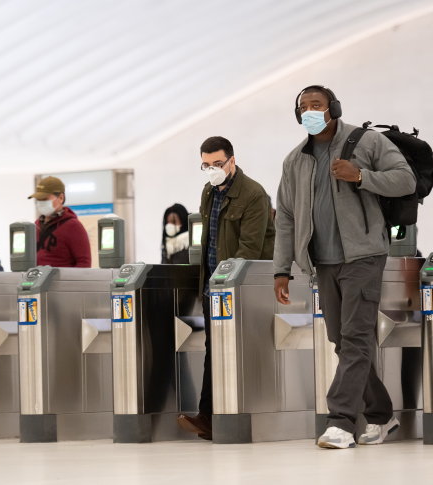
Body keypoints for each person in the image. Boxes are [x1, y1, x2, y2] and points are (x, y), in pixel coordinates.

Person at [273, 86, 416, 449]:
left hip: (363, 255)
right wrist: (281, 269)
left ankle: (339, 421)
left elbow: (405, 179)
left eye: (316, 105)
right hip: (322, 262)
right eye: (303, 107)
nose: (309, 111)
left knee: (355, 338)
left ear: (333, 108)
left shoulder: (366, 142)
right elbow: (286, 218)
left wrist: (361, 177)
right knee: (342, 340)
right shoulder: (295, 160)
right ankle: (382, 417)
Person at [177, 136, 275, 441]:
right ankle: (210, 416)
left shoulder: (254, 194)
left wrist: (227, 283)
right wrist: (207, 285)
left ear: (231, 161)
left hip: (239, 287)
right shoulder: (209, 192)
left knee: (233, 349)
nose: (211, 170)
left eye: (217, 164)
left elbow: (250, 247)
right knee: (213, 349)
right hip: (213, 287)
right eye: (206, 165)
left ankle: (229, 414)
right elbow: (208, 241)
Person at [28, 176, 91, 268]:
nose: (40, 202)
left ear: (61, 198)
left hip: (63, 281)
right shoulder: (36, 224)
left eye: (45, 199)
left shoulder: (73, 226)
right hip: (38, 281)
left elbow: (84, 262)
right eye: (38, 199)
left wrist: (69, 281)